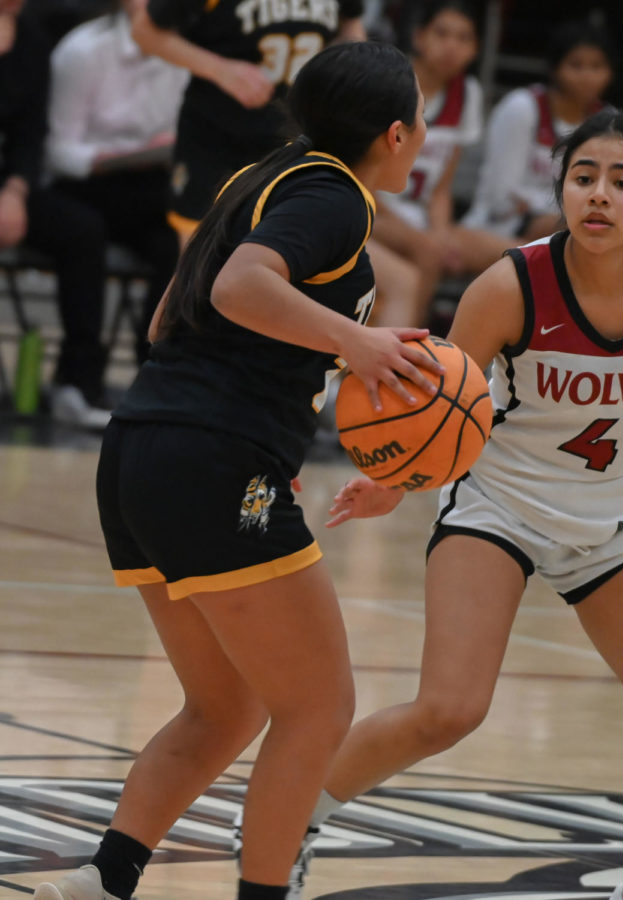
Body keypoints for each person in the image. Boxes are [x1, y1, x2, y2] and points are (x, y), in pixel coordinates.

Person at [295, 109, 623, 900]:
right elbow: (443, 395)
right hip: (496, 506)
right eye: (583, 178)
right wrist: (394, 483)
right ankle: (285, 825)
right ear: (562, 191)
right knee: (448, 710)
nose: (599, 196)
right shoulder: (509, 285)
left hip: (614, 521)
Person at [33, 39, 442, 900]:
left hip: (143, 444)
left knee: (225, 706)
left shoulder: (254, 179)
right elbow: (238, 290)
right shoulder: (337, 198)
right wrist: (355, 341)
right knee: (317, 709)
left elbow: (166, 319)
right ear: (397, 134)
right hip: (213, 454)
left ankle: (100, 881)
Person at [129, 0, 366, 248]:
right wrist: (219, 70)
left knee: (285, 260)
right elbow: (144, 31)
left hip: (298, 141)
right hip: (217, 138)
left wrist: (344, 67)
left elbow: (350, 23)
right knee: (199, 264)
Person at [46, 0, 188, 366]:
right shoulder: (82, 50)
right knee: (84, 231)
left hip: (151, 186)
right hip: (83, 185)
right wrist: (119, 158)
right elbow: (58, 152)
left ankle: (155, 365)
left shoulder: (185, 54)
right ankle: (79, 374)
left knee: (181, 235)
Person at [0, 0, 111, 428]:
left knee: (82, 229)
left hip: (10, 186)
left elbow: (30, 136)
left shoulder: (31, 39)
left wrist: (14, 190)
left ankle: (77, 382)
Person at [372, 0, 515, 323]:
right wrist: (426, 240)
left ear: (476, 49)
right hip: (376, 211)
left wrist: (440, 232)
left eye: (464, 38)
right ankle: (412, 346)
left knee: (514, 253)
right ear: (419, 37)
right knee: (428, 252)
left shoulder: (469, 92)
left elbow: (441, 189)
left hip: (422, 216)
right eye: (442, 33)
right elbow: (364, 175)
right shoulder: (390, 82)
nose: (452, 46)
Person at [462, 19, 614, 241]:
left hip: (565, 226)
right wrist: (563, 207)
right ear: (555, 68)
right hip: (497, 227)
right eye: (576, 65)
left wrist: (534, 201)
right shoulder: (521, 108)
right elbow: (500, 196)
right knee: (573, 226)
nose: (586, 77)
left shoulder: (609, 121)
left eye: (596, 67)